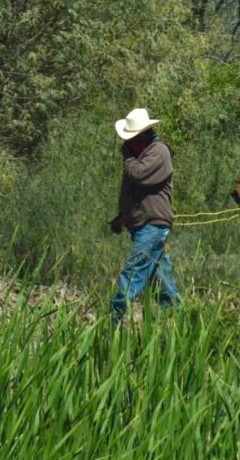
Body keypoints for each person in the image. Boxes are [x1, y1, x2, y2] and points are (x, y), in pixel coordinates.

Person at [108, 107, 180, 321]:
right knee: (160, 279)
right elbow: (137, 194)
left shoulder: (158, 152)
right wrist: (122, 217)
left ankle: (112, 321)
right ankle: (180, 320)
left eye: (131, 140)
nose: (128, 144)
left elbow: (138, 175)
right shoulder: (142, 154)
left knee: (132, 274)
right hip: (145, 226)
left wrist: (128, 157)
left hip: (152, 227)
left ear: (144, 135)